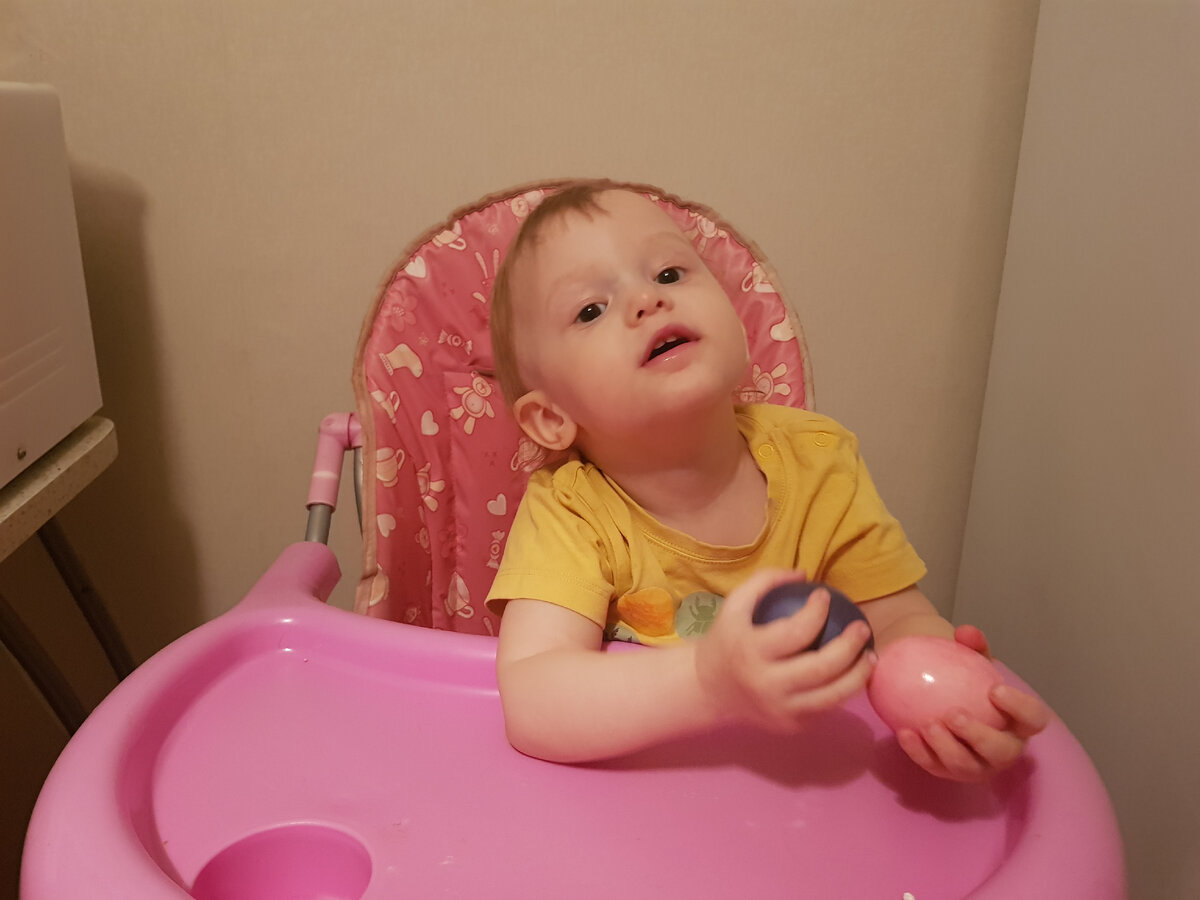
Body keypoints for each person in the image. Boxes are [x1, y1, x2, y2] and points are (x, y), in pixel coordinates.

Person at [484, 179, 1049, 779]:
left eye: (669, 274)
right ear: (551, 418)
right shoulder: (570, 512)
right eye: (590, 310)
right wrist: (706, 683)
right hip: (642, 793)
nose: (648, 300)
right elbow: (534, 699)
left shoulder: (819, 462)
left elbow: (896, 621)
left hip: (801, 793)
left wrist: (946, 705)